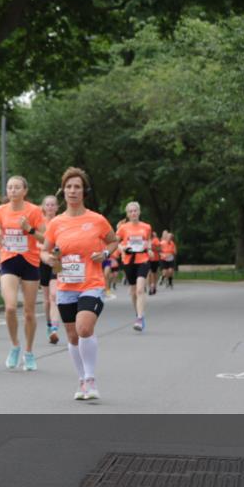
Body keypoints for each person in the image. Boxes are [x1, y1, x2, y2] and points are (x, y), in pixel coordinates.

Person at [41, 167, 119, 401]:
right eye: (68, 187)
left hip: (91, 283)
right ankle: (82, 379)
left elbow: (113, 241)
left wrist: (105, 253)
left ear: (84, 191)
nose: (72, 191)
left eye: (77, 187)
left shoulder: (97, 220)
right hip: (66, 286)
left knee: (84, 328)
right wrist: (49, 259)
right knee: (73, 336)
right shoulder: (56, 223)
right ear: (63, 191)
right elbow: (44, 251)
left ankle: (91, 379)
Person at [0, 176, 45, 371]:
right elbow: (1, 227)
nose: (13, 191)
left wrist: (29, 229)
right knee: (9, 307)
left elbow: (45, 237)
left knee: (29, 312)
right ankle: (15, 345)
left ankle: (29, 352)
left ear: (25, 191)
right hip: (9, 259)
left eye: (17, 187)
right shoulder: (2, 209)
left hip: (30, 261)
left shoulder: (34, 211)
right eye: (10, 187)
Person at [116, 202, 153, 332]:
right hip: (128, 261)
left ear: (139, 212)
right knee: (133, 291)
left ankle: (140, 318)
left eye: (135, 210)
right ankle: (138, 313)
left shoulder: (146, 227)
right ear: (127, 214)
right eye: (130, 211)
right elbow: (115, 242)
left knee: (140, 289)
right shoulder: (123, 228)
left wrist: (149, 249)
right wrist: (122, 248)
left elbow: (148, 240)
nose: (133, 213)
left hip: (143, 259)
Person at [38, 195, 62, 344]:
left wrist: (57, 250)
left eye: (53, 205)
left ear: (57, 207)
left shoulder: (61, 222)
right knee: (46, 300)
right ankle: (48, 324)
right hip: (42, 261)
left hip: (56, 261)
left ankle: (54, 329)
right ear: (43, 207)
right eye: (47, 205)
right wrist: (45, 248)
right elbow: (35, 242)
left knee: (54, 296)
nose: (50, 207)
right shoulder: (40, 223)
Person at [147, 230, 161, 295]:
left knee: (154, 273)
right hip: (147, 259)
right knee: (149, 273)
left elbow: (159, 249)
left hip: (155, 259)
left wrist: (153, 248)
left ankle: (154, 286)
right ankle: (150, 287)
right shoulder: (145, 240)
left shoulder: (155, 240)